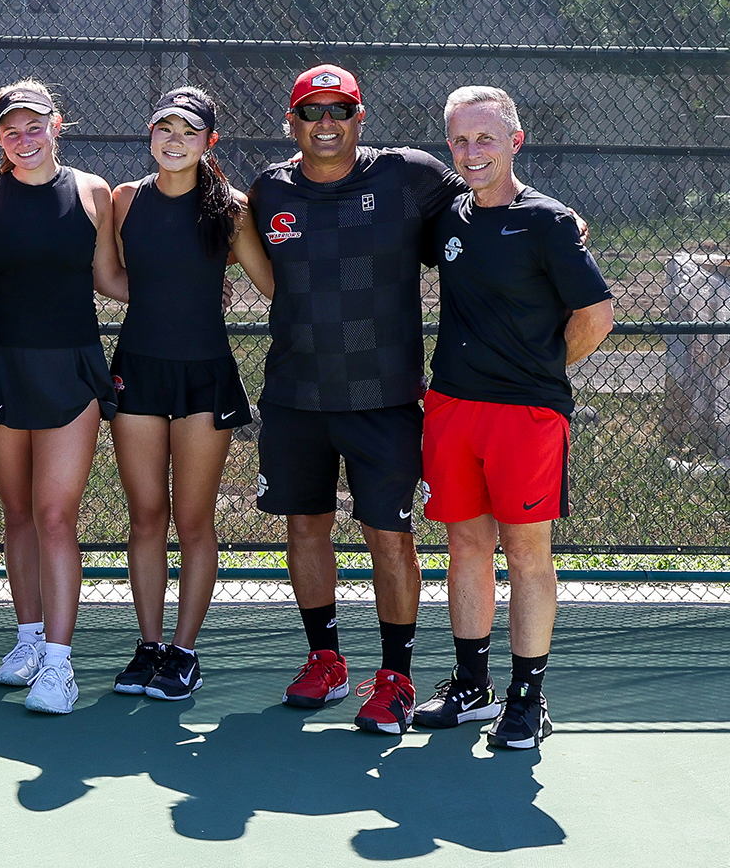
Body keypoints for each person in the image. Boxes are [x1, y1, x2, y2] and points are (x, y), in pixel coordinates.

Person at [248, 63, 468, 734]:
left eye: (338, 110)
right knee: (305, 527)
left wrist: (557, 216)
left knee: (389, 535)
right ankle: (326, 662)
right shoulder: (268, 190)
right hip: (294, 396)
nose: (325, 123)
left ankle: (395, 678)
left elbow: (486, 197)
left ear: (359, 118)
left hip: (383, 399)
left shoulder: (407, 175)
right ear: (291, 123)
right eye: (310, 111)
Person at [411, 86, 613, 749]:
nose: (473, 152)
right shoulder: (446, 218)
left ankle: (528, 699)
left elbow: (596, 317)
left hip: (526, 416)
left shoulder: (550, 222)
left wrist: (541, 370)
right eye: (462, 141)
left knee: (527, 557)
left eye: (486, 138)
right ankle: (472, 686)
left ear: (514, 142)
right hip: (451, 408)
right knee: (467, 547)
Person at [108, 88, 273, 701]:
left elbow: (272, 285)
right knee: (146, 516)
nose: (173, 139)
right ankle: (148, 647)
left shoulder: (231, 209)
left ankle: (183, 652)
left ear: (209, 142)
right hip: (138, 372)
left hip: (205, 375)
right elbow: (111, 276)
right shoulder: (125, 199)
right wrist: (162, 298)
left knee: (192, 520)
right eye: (163, 128)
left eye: (187, 129)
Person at [0, 81, 124, 714]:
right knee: (18, 515)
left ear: (58, 124)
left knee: (56, 516)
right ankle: (28, 639)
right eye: (12, 129)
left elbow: (112, 278)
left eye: (36, 125)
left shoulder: (95, 193)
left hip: (71, 371)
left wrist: (185, 290)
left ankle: (60, 666)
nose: (24, 138)